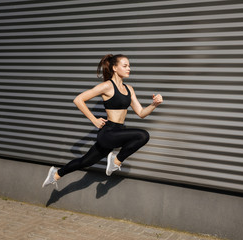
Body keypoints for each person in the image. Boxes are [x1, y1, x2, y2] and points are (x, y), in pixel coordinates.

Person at [42, 54, 163, 189]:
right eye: (125, 66)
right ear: (115, 68)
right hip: (108, 133)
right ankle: (115, 160)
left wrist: (154, 104)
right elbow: (78, 99)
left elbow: (141, 113)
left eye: (129, 66)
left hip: (118, 132)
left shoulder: (129, 89)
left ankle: (56, 174)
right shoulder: (107, 86)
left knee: (85, 161)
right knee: (143, 135)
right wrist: (94, 120)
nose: (129, 68)